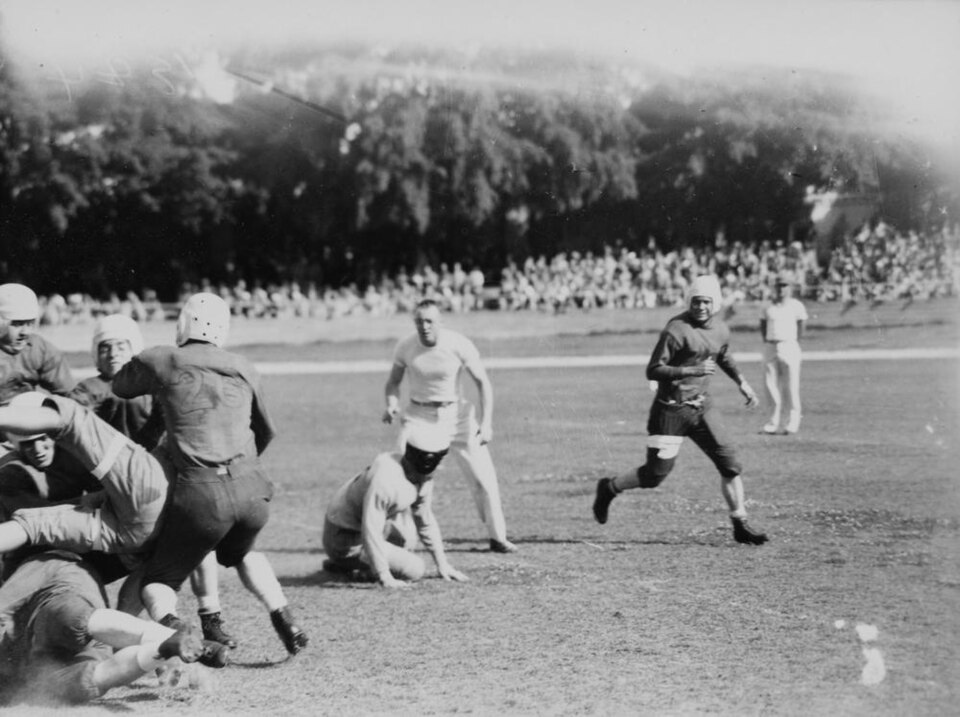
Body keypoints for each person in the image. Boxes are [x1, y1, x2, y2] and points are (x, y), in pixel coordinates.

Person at [112, 293, 308, 655]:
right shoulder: (244, 365)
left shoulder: (164, 358)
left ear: (182, 325)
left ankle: (174, 628)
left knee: (158, 580)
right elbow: (267, 431)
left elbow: (120, 385)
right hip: (251, 487)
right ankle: (283, 615)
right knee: (240, 553)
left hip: (202, 492)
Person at [72, 314, 236, 648]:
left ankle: (206, 618)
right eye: (105, 347)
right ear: (94, 352)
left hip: (146, 492)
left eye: (122, 345)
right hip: (112, 497)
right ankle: (143, 636)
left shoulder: (155, 388)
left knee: (181, 548)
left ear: (135, 350)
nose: (114, 353)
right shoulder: (92, 390)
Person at [592, 275, 769, 545]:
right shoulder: (676, 329)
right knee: (654, 476)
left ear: (716, 303)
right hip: (671, 410)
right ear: (689, 301)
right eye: (696, 301)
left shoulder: (721, 329)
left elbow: (722, 354)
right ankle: (609, 487)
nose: (700, 307)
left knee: (730, 465)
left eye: (706, 302)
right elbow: (653, 369)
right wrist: (691, 370)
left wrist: (741, 383)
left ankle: (740, 523)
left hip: (702, 407)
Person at [0, 549, 223, 706]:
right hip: (45, 656)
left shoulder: (41, 564)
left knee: (66, 617)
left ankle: (170, 640)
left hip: (60, 593)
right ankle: (164, 647)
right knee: (77, 684)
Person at [383, 299, 518, 553]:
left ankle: (498, 538)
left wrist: (486, 423)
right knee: (401, 479)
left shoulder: (458, 344)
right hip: (418, 417)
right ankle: (398, 541)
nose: (424, 327)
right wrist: (390, 405)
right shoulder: (405, 346)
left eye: (429, 321)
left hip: (458, 417)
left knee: (484, 480)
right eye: (419, 321)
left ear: (439, 323)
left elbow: (483, 384)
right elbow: (392, 384)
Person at [321, 424, 468, 588]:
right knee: (415, 569)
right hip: (343, 538)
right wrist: (385, 576)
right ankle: (346, 562)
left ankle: (349, 564)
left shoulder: (422, 477)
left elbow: (425, 520)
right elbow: (370, 530)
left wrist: (443, 564)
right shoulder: (385, 480)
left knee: (407, 541)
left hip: (359, 529)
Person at [0, 283, 76, 405]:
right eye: (17, 323)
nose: (25, 332)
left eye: (30, 323)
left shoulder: (40, 349)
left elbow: (71, 398)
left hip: (27, 419)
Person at [759, 276, 809, 435]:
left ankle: (792, 422)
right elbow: (763, 326)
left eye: (784, 286)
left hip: (789, 345)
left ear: (790, 288)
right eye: (778, 286)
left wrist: (794, 342)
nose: (781, 289)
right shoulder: (767, 306)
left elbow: (801, 325)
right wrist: (769, 342)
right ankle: (772, 422)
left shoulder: (796, 306)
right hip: (771, 346)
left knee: (791, 387)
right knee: (770, 385)